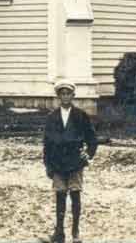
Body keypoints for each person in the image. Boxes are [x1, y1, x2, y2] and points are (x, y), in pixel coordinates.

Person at [42, 79, 98, 243]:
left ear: (73, 95)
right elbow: (47, 143)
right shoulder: (52, 117)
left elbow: (92, 139)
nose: (65, 97)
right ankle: (59, 232)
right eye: (62, 94)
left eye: (68, 93)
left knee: (75, 195)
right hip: (58, 163)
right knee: (60, 196)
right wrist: (48, 165)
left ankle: (75, 232)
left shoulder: (81, 116)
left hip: (75, 163)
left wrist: (88, 155)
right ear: (58, 96)